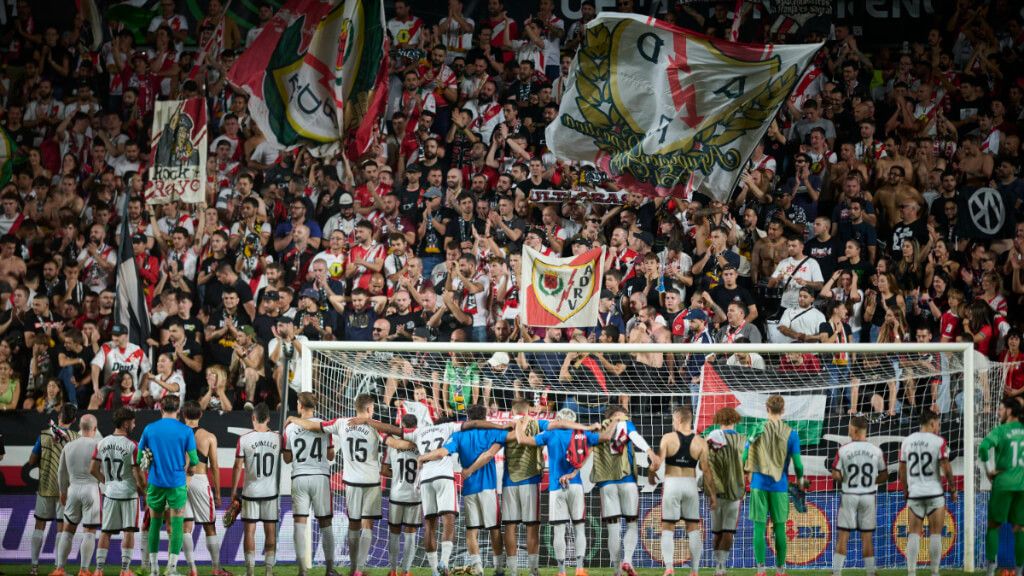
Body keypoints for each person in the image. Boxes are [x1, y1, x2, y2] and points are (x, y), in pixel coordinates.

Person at [515, 408, 612, 576]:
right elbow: (606, 438)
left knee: (559, 530)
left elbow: (523, 441)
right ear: (574, 421)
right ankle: (580, 569)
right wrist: (611, 422)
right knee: (579, 528)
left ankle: (562, 571)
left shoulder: (549, 434)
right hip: (575, 485)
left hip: (556, 488)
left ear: (559, 420)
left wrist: (518, 424)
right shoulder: (582, 435)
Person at [418, 404, 510, 576]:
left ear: (467, 418)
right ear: (485, 418)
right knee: (494, 528)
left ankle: (479, 568)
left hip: (468, 488)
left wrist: (424, 457)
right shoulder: (494, 432)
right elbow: (491, 453)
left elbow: (443, 451)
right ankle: (498, 569)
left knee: (471, 530)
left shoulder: (458, 435)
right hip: (489, 486)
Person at [592, 406, 660, 576]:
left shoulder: (597, 428)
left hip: (606, 483)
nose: (627, 416)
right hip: (627, 480)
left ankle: (617, 569)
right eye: (625, 414)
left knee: (613, 528)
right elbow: (635, 437)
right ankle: (628, 560)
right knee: (631, 524)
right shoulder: (625, 424)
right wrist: (650, 452)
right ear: (616, 415)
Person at [744, 395, 807, 576]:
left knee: (759, 527)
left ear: (767, 408)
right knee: (779, 527)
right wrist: (801, 479)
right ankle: (780, 570)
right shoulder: (791, 433)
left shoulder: (756, 429)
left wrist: (745, 473)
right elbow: (799, 465)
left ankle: (761, 570)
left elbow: (744, 456)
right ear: (783, 410)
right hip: (780, 486)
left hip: (758, 484)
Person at [650, 405, 714, 576]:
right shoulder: (700, 441)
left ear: (677, 419)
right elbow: (706, 470)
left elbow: (657, 463)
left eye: (673, 420)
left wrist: (651, 473)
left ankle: (669, 567)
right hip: (690, 485)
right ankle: (694, 571)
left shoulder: (668, 438)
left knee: (667, 527)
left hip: (672, 484)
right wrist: (713, 495)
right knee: (693, 527)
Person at [138, 395, 199, 576]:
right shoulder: (186, 431)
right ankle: (171, 569)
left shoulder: (150, 429)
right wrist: (186, 464)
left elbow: (139, 458)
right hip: (176, 483)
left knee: (155, 524)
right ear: (178, 410)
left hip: (155, 482)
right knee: (177, 525)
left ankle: (154, 568)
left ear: (161, 409)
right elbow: (194, 459)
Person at [282, 392, 338, 576]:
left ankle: (302, 571)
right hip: (320, 476)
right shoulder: (324, 425)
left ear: (299, 405)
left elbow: (287, 458)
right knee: (325, 523)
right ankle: (329, 569)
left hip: (299, 477)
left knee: (300, 522)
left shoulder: (289, 428)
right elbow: (330, 455)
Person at [899, 410, 956, 576]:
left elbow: (902, 470)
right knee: (936, 533)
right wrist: (952, 488)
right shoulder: (938, 441)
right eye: (937, 424)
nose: (938, 427)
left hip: (915, 493)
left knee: (914, 533)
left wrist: (905, 490)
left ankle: (911, 572)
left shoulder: (907, 441)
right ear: (932, 423)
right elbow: (946, 467)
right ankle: (935, 572)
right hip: (934, 494)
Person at [91, 407, 146, 576]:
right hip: (129, 494)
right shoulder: (132, 446)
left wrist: (107, 483)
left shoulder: (102, 443)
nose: (135, 425)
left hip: (110, 493)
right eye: (133, 421)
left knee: (106, 531)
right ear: (125, 423)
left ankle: (98, 570)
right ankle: (125, 570)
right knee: (129, 531)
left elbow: (93, 469)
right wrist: (144, 490)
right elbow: (139, 475)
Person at [831, 415, 888, 576]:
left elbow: (835, 474)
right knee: (867, 537)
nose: (848, 429)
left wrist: (845, 479)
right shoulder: (876, 451)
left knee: (843, 536)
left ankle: (836, 572)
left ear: (854, 429)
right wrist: (871, 481)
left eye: (849, 427)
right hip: (869, 495)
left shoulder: (844, 449)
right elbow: (885, 475)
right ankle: (870, 572)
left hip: (849, 495)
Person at [231, 403, 281, 576]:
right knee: (270, 532)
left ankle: (250, 571)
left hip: (250, 492)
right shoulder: (278, 438)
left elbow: (237, 467)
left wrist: (232, 491)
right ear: (268, 418)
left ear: (253, 418)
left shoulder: (244, 439)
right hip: (271, 493)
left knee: (249, 532)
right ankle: (268, 571)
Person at [28, 404, 78, 575]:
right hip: (66, 489)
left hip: (45, 486)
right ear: (74, 420)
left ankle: (34, 567)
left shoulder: (43, 435)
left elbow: (32, 460)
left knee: (39, 525)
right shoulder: (76, 438)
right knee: (61, 527)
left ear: (59, 416)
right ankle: (58, 569)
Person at [181, 400, 229, 576]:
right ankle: (216, 569)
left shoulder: (177, 434)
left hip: (180, 481)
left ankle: (192, 569)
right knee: (209, 526)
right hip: (200, 480)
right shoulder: (208, 436)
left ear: (184, 415)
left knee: (186, 527)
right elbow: (215, 466)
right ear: (200, 415)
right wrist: (217, 493)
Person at [977, 398, 1024, 576]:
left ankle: (990, 571)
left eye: (1001, 409)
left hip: (1003, 482)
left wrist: (989, 471)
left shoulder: (1000, 430)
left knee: (993, 526)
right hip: (1022, 484)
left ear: (1010, 411)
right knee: (1020, 528)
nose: (998, 412)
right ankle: (1019, 572)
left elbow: (983, 448)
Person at [52, 414, 100, 576]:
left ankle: (59, 569)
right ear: (94, 428)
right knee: (90, 531)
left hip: (72, 490)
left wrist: (62, 491)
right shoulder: (98, 445)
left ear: (80, 427)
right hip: (91, 489)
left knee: (67, 530)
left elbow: (61, 472)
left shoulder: (69, 446)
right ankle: (84, 570)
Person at [706, 408, 746, 576]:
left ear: (718, 420)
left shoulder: (710, 439)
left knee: (717, 531)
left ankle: (717, 567)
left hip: (715, 490)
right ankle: (721, 567)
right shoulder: (743, 440)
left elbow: (705, 464)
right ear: (735, 421)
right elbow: (747, 465)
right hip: (735, 490)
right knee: (728, 531)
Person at [384, 413, 423, 576]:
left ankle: (392, 571)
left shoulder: (393, 444)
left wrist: (397, 476)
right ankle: (406, 571)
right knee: (410, 533)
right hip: (415, 495)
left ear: (402, 427)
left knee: (394, 532)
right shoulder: (421, 443)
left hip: (396, 494)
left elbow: (384, 470)